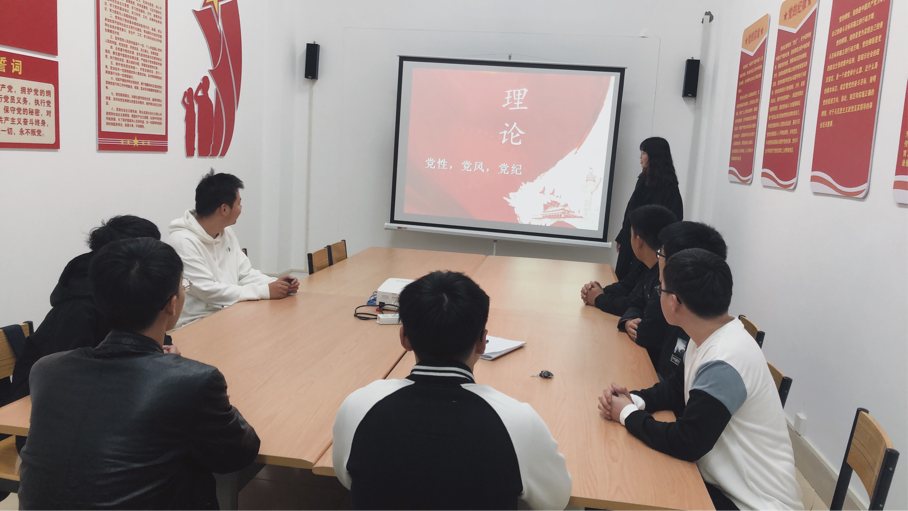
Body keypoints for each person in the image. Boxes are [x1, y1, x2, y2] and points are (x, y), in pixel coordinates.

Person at [19, 238, 261, 510]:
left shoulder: (46, 370)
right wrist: (209, 396)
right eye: (183, 287)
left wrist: (167, 367)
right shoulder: (195, 381)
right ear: (172, 304)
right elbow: (239, 454)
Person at [332, 271, 572, 511]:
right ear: (482, 342)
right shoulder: (518, 423)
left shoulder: (358, 408)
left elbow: (347, 480)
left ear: (404, 338)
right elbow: (556, 501)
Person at [599, 249, 803, 511]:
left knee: (622, 483)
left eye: (660, 289)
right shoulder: (708, 333)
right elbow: (677, 388)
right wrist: (635, 400)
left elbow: (688, 442)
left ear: (674, 302)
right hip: (722, 482)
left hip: (751, 502)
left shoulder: (725, 360)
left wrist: (627, 414)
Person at [2, 215, 162, 407]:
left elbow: (140, 334)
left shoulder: (124, 289)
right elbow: (67, 378)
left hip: (103, 391)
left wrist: (161, 348)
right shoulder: (79, 308)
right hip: (40, 405)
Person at [169, 171, 298, 328]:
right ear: (224, 209)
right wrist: (265, 291)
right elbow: (208, 291)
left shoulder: (225, 231)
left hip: (230, 312)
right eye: (239, 203)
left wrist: (276, 284)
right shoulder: (183, 241)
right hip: (195, 323)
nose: (241, 208)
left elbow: (244, 273)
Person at [619, 221, 727, 380]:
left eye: (660, 254)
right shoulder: (690, 319)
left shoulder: (715, 356)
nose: (658, 260)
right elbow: (673, 386)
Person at [581, 205, 677, 316]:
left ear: (639, 241)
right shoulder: (647, 264)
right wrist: (598, 291)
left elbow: (630, 304)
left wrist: (598, 298)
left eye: (631, 235)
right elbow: (626, 285)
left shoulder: (662, 276)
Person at [614, 137, 683, 279]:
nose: (640, 157)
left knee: (639, 282)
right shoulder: (642, 180)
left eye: (644, 153)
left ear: (655, 156)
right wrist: (622, 234)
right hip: (632, 240)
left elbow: (674, 222)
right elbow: (631, 210)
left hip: (650, 248)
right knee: (622, 280)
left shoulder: (669, 187)